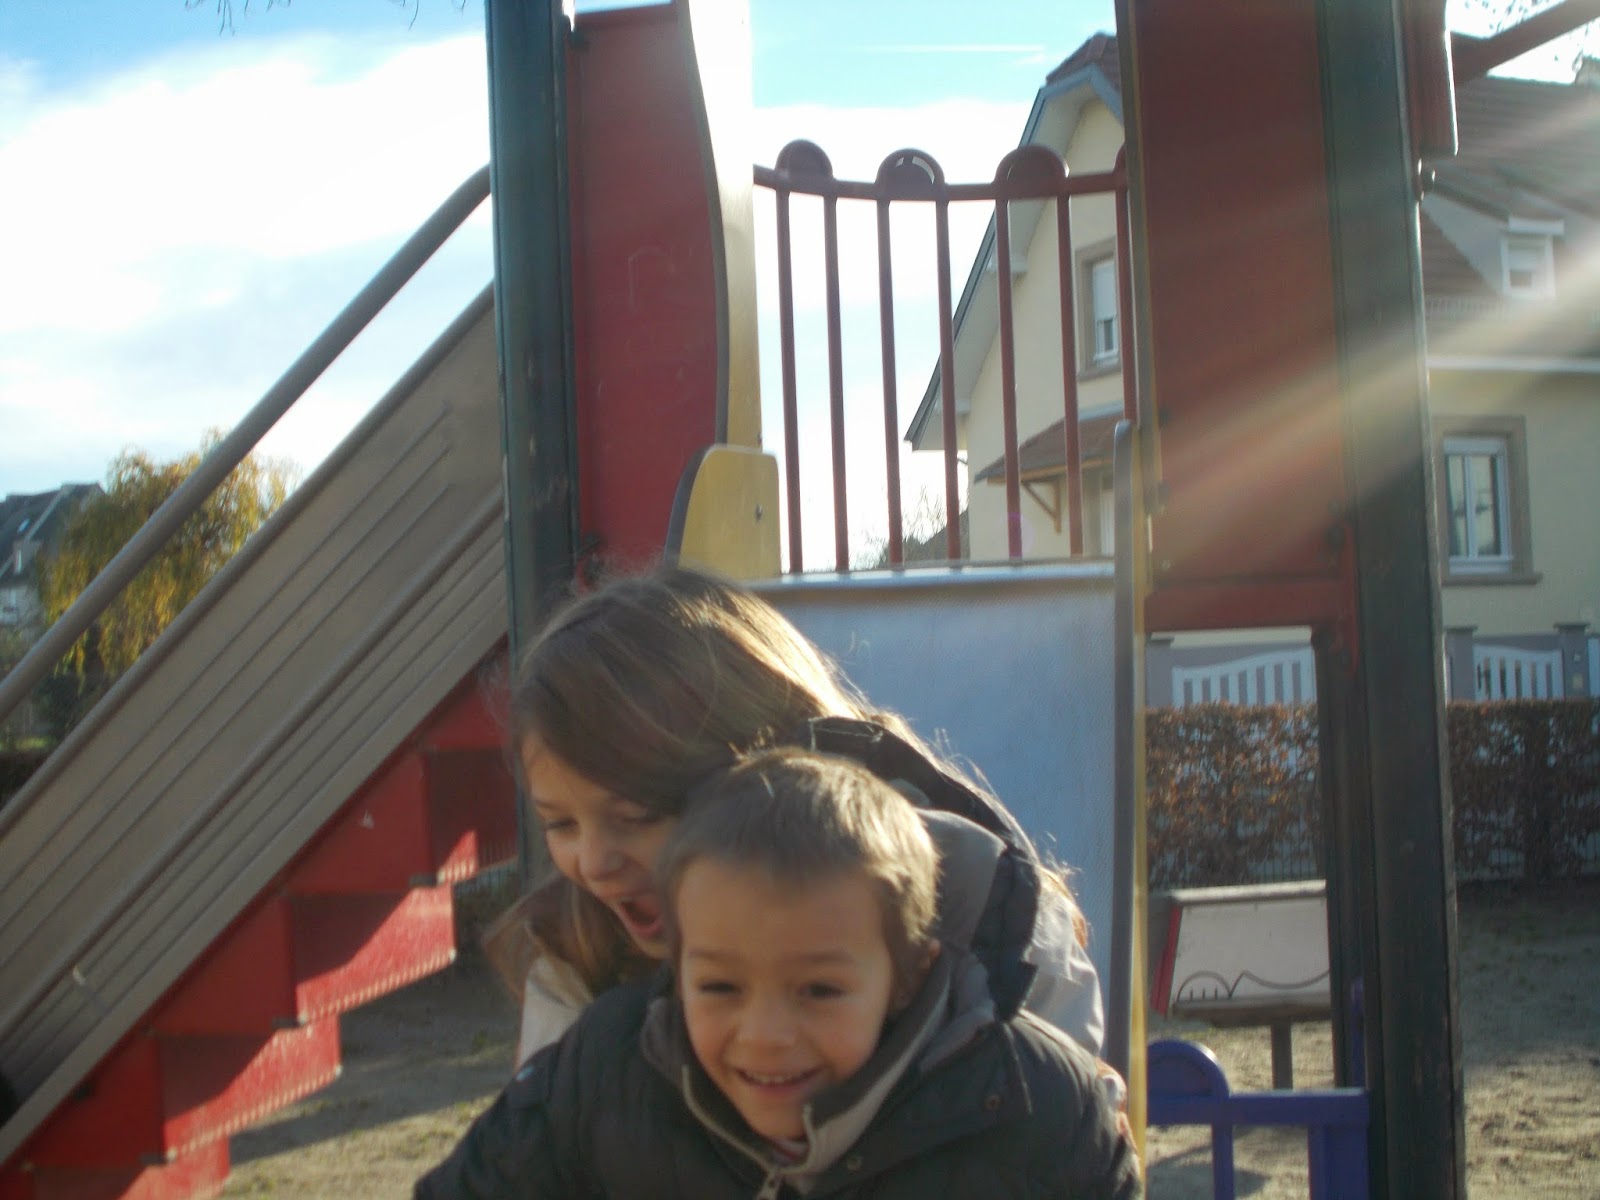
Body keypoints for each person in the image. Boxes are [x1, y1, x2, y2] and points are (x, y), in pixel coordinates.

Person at [417, 749, 1140, 1199]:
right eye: (719, 987)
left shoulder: (1041, 1109)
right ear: (677, 963)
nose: (764, 1035)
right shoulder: (605, 1071)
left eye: (819, 990)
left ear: (909, 976)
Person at [482, 563, 1107, 1069]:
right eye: (560, 824)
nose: (593, 863)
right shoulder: (580, 950)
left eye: (638, 814)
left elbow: (1069, 1143)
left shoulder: (992, 923)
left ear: (775, 774)